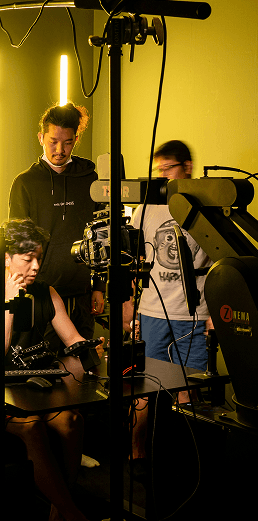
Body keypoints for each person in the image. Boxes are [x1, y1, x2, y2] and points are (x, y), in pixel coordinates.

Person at [0, 218, 104, 521]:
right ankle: (71, 512)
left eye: (39, 258)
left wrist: (92, 348)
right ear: (7, 258)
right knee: (33, 428)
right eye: (28, 259)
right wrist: (10, 304)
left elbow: (73, 340)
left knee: (73, 421)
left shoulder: (47, 293)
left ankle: (59, 508)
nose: (36, 266)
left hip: (38, 388)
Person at [122, 140, 213, 465]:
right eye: (157, 169)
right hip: (152, 314)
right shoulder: (146, 207)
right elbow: (131, 259)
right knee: (143, 390)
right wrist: (129, 306)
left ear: (187, 168)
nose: (161, 175)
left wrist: (213, 316)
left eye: (168, 168)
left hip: (193, 316)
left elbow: (220, 263)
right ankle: (136, 455)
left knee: (188, 391)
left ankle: (184, 463)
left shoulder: (206, 205)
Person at [8, 102, 105, 355]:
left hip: (83, 294)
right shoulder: (25, 183)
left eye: (67, 143)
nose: (60, 150)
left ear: (75, 141)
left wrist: (99, 287)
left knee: (83, 365)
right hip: (42, 296)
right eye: (53, 142)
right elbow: (17, 245)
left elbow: (101, 237)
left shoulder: (91, 180)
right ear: (41, 138)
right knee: (45, 368)